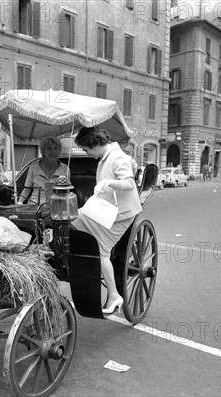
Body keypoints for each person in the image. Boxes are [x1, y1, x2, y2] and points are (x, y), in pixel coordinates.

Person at [72, 126, 142, 315]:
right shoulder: (109, 156)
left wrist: (109, 183)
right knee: (75, 219)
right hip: (109, 210)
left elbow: (128, 183)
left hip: (120, 214)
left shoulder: (116, 156)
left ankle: (114, 295)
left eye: (86, 150)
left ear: (94, 145)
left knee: (101, 250)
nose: (87, 154)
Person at [18, 137, 70, 204]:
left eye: (56, 148)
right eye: (49, 148)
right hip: (34, 205)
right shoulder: (33, 167)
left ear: (59, 150)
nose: (53, 151)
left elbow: (66, 191)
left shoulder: (65, 169)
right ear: (43, 151)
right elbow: (27, 188)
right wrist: (20, 202)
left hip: (56, 205)